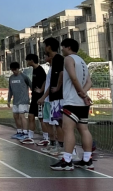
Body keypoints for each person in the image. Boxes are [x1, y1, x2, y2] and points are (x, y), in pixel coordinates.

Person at [51, 38, 94, 171]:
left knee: (67, 129)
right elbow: (89, 82)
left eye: (63, 47)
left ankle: (67, 160)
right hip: (82, 103)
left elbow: (73, 78)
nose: (62, 49)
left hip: (72, 101)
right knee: (84, 130)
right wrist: (84, 94)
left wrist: (81, 93)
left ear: (68, 47)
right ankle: (87, 160)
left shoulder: (69, 59)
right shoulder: (82, 61)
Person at [38, 37, 65, 156]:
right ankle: (57, 145)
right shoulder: (53, 63)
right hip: (53, 98)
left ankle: (62, 147)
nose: (44, 49)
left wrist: (58, 88)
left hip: (58, 98)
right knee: (53, 122)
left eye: (45, 46)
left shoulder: (58, 59)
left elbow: (62, 74)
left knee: (58, 123)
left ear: (49, 47)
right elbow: (51, 83)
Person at [24, 53, 47, 145]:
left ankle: (46, 138)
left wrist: (41, 90)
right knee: (30, 116)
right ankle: (30, 137)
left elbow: (46, 81)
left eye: (27, 60)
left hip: (39, 98)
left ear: (32, 61)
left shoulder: (40, 70)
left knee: (41, 118)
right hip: (34, 98)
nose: (27, 62)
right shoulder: (34, 69)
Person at [7, 61, 31, 140]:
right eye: (12, 70)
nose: (14, 71)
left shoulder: (24, 77)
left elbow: (31, 85)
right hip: (15, 101)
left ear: (18, 68)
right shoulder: (11, 78)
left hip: (23, 100)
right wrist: (8, 100)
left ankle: (25, 133)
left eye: (15, 70)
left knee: (22, 116)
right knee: (15, 116)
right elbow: (10, 90)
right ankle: (19, 132)